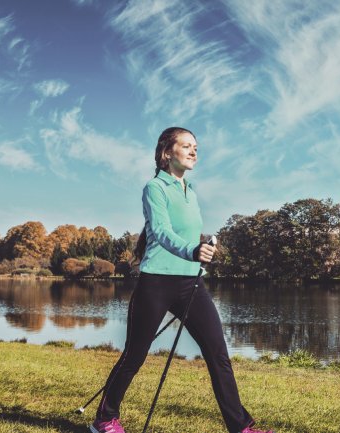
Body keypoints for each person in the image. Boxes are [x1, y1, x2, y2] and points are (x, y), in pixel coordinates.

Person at [90, 127, 273, 433]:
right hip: (156, 284)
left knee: (218, 354)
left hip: (191, 284)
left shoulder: (191, 191)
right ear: (166, 153)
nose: (193, 152)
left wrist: (203, 251)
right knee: (135, 355)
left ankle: (241, 428)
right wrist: (192, 249)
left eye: (196, 148)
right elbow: (161, 232)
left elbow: (188, 235)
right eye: (186, 146)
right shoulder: (155, 188)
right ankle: (105, 419)